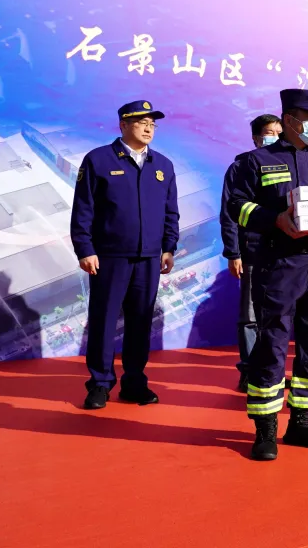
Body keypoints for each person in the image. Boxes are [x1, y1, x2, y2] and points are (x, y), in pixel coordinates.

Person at [227, 88, 308, 461]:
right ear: (289, 120)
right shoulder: (255, 161)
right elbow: (237, 205)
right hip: (279, 262)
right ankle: (265, 429)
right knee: (272, 343)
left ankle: (301, 422)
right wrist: (275, 219)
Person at [71, 100, 179, 410]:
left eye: (152, 124)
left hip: (149, 257)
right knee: (104, 319)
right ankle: (100, 383)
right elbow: (84, 210)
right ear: (122, 125)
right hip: (109, 257)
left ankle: (134, 382)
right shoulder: (99, 160)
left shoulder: (163, 165)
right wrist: (85, 249)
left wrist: (168, 246)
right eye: (141, 122)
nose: (148, 128)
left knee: (140, 321)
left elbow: (171, 211)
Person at [220, 113, 282, 393]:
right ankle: (249, 370)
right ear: (256, 137)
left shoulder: (287, 164)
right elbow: (229, 214)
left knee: (278, 314)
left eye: (279, 133)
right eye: (270, 133)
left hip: (283, 253)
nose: (275, 138)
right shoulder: (240, 166)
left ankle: (271, 369)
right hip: (252, 252)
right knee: (250, 316)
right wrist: (233, 252)